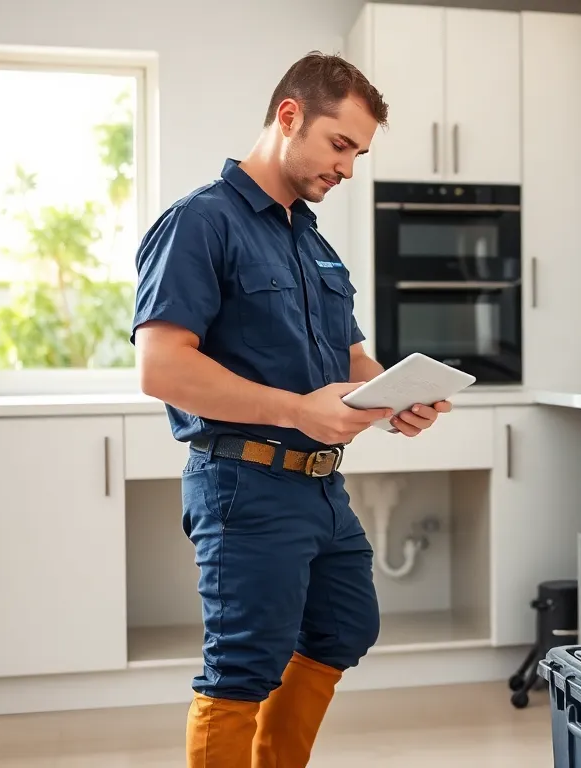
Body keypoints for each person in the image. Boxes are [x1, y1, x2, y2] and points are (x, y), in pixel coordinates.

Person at [130, 52, 451, 767]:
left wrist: (397, 395)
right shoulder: (198, 223)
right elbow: (160, 366)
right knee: (244, 668)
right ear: (288, 116)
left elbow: (352, 361)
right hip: (244, 484)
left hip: (320, 485)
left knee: (344, 627)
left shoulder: (311, 242)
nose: (348, 168)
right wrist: (296, 411)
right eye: (341, 145)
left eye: (359, 153)